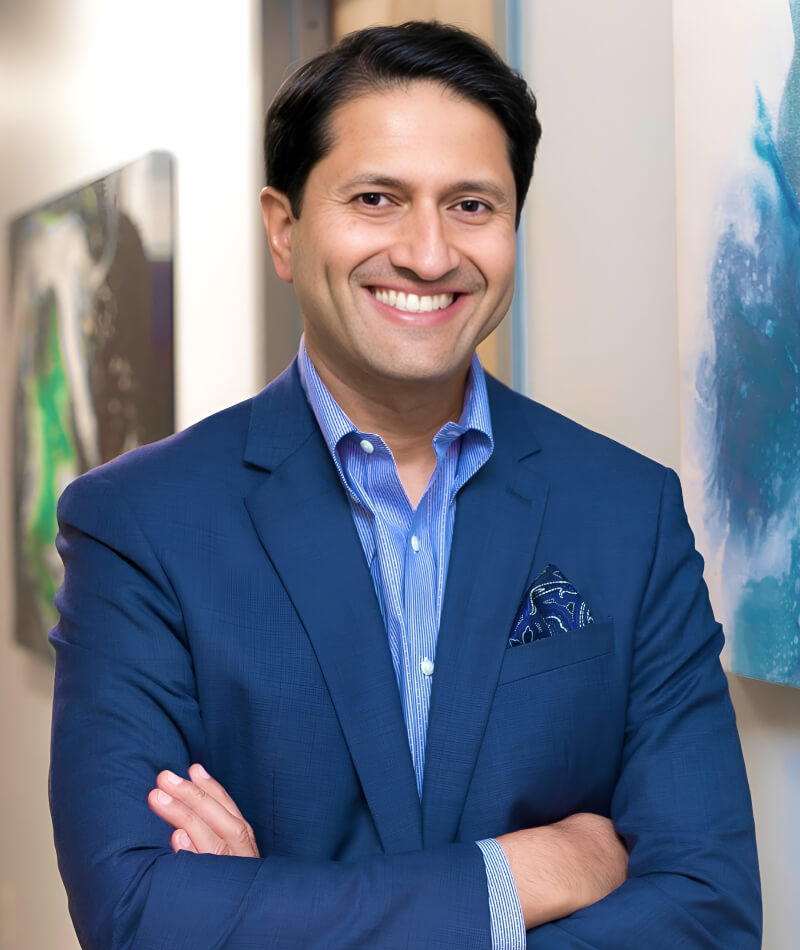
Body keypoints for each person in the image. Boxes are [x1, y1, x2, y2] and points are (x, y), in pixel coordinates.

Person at [49, 20, 761, 950]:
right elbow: (141, 915)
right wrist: (532, 869)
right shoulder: (137, 525)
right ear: (283, 228)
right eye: (378, 198)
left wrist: (266, 909)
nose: (428, 255)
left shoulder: (629, 512)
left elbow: (708, 909)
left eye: (472, 205)